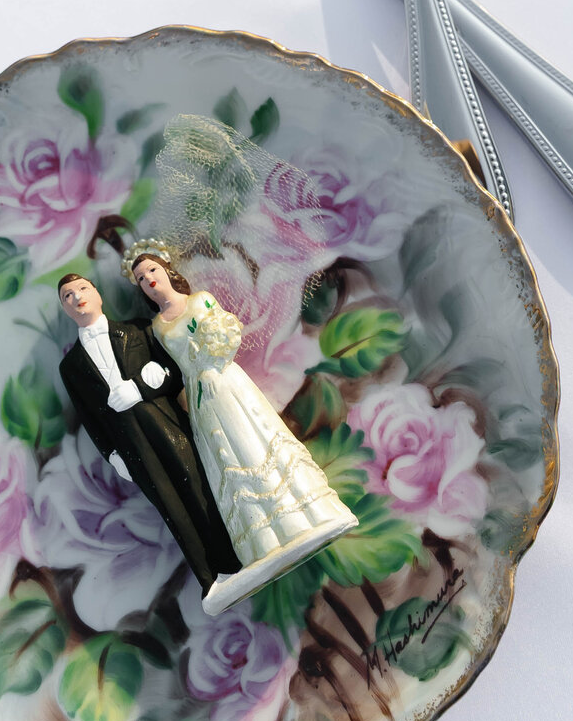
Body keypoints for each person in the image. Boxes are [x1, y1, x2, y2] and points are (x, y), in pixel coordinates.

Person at [126, 241, 356, 616]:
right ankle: (263, 539)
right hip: (201, 397)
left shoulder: (199, 301)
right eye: (140, 278)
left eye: (151, 270)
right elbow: (178, 368)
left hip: (226, 382)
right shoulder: (158, 327)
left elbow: (226, 334)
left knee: (253, 437)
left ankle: (304, 516)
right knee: (226, 454)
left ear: (166, 268)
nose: (148, 280)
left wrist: (212, 353)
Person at [56, 272, 239, 601]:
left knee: (197, 487)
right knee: (169, 506)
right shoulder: (70, 367)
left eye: (82, 288)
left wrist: (142, 387)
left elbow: (174, 374)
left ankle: (233, 562)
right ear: (65, 309)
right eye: (67, 296)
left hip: (165, 422)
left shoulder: (139, 329)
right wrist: (112, 454)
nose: (76, 297)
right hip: (129, 443)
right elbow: (88, 417)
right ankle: (209, 579)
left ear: (97, 294)